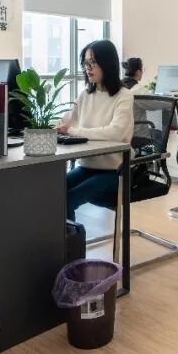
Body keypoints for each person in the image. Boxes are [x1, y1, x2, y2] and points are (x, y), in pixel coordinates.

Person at [58, 40, 134, 221]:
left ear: (107, 64)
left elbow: (115, 132)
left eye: (93, 62)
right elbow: (66, 121)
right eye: (86, 63)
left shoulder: (124, 95)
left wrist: (74, 131)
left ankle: (71, 240)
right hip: (87, 167)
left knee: (68, 199)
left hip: (114, 172)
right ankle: (56, 238)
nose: (88, 68)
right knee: (51, 191)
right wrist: (42, 127)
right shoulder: (85, 94)